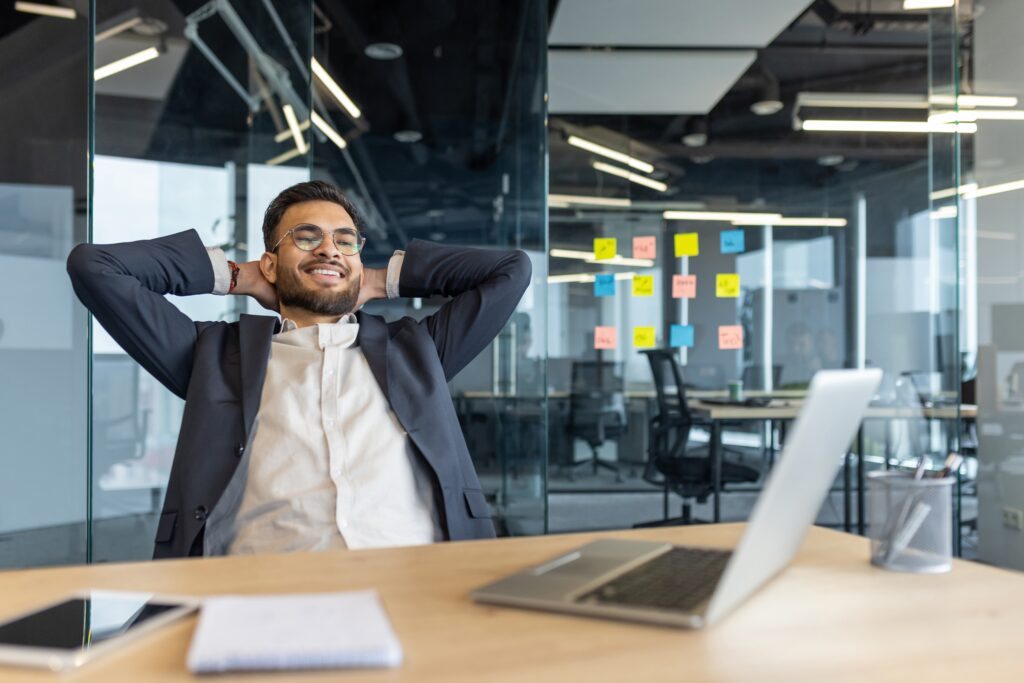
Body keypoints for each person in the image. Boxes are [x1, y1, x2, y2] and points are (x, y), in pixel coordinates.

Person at [67, 180, 531, 559]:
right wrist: (233, 276)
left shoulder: (416, 351)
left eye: (344, 241)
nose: (329, 250)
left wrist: (377, 278)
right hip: (263, 595)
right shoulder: (212, 356)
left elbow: (511, 269)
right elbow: (95, 267)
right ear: (270, 262)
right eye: (307, 237)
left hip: (414, 584)